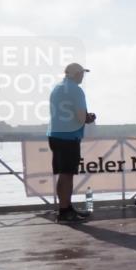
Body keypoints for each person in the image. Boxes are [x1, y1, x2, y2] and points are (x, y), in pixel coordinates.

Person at [47, 63, 96, 223]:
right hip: (69, 136)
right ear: (75, 74)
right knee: (67, 174)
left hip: (55, 134)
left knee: (64, 173)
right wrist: (89, 118)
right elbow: (81, 117)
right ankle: (64, 211)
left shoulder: (57, 87)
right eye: (82, 73)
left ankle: (66, 208)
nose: (83, 76)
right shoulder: (76, 89)